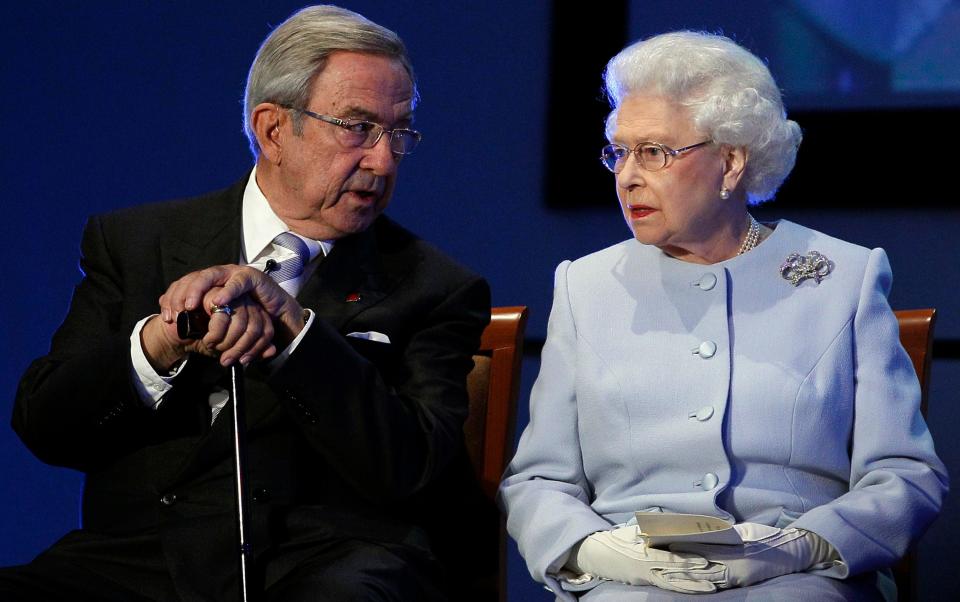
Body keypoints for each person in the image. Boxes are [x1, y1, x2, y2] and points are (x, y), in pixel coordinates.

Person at [3, 5, 493, 601]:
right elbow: (46, 427)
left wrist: (296, 335)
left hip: (330, 561)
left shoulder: (436, 287)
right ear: (273, 129)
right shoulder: (135, 242)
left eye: (399, 132)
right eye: (358, 127)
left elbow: (413, 472)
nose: (383, 160)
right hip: (140, 560)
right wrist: (157, 345)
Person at [499, 31, 947, 601]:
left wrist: (802, 545)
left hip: (794, 579)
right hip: (631, 579)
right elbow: (539, 480)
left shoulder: (842, 279)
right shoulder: (585, 285)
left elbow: (906, 475)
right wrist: (597, 551)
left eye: (655, 152)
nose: (627, 175)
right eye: (619, 150)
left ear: (732, 162)